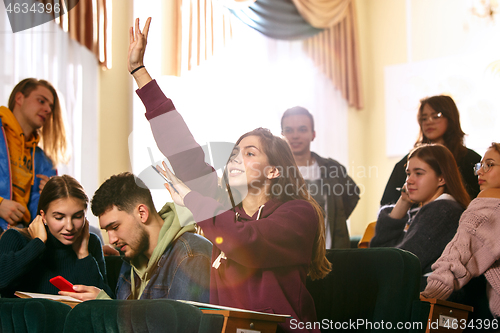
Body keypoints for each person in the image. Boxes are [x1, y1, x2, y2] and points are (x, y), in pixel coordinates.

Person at [129, 18, 331, 333]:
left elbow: (246, 243)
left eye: (250, 153)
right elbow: (183, 148)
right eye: (234, 153)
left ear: (274, 170)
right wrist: (140, 72)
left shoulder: (298, 213)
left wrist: (194, 200)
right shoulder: (223, 205)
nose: (236, 158)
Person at [60, 172, 212, 302]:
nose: (112, 240)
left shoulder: (191, 256)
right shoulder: (132, 256)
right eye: (107, 231)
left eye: (115, 227)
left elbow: (181, 327)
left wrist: (107, 307)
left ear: (142, 213)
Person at [370, 144, 470, 290]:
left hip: (423, 300)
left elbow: (400, 265)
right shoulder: (432, 209)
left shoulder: (443, 211)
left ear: (442, 178)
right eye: (408, 173)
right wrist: (403, 202)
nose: (409, 180)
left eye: (419, 173)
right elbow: (381, 250)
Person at [421, 143, 500, 320]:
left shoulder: (488, 204)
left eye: (489, 164)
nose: (480, 172)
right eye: (480, 166)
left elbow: (458, 254)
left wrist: (432, 291)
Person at [0, 175, 111, 298]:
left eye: (77, 216)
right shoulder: (15, 238)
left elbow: (104, 304)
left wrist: (83, 254)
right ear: (43, 216)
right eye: (59, 217)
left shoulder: (91, 243)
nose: (69, 226)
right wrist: (37, 244)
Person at [281, 106, 359, 249]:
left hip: (331, 255)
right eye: (289, 130)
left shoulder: (333, 169)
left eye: (302, 129)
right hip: (288, 256)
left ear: (313, 134)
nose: (295, 135)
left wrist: (336, 218)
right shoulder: (273, 172)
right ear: (281, 135)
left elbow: (353, 194)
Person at [380, 95, 481, 206]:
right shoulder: (407, 163)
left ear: (451, 118)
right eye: (424, 118)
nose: (429, 122)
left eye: (436, 116)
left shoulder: (471, 160)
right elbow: (387, 204)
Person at [0, 78, 68, 231]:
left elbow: (42, 218)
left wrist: (50, 199)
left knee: (93, 233)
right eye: (41, 101)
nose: (48, 109)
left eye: (50, 106)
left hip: (23, 233)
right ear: (19, 98)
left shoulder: (45, 161)